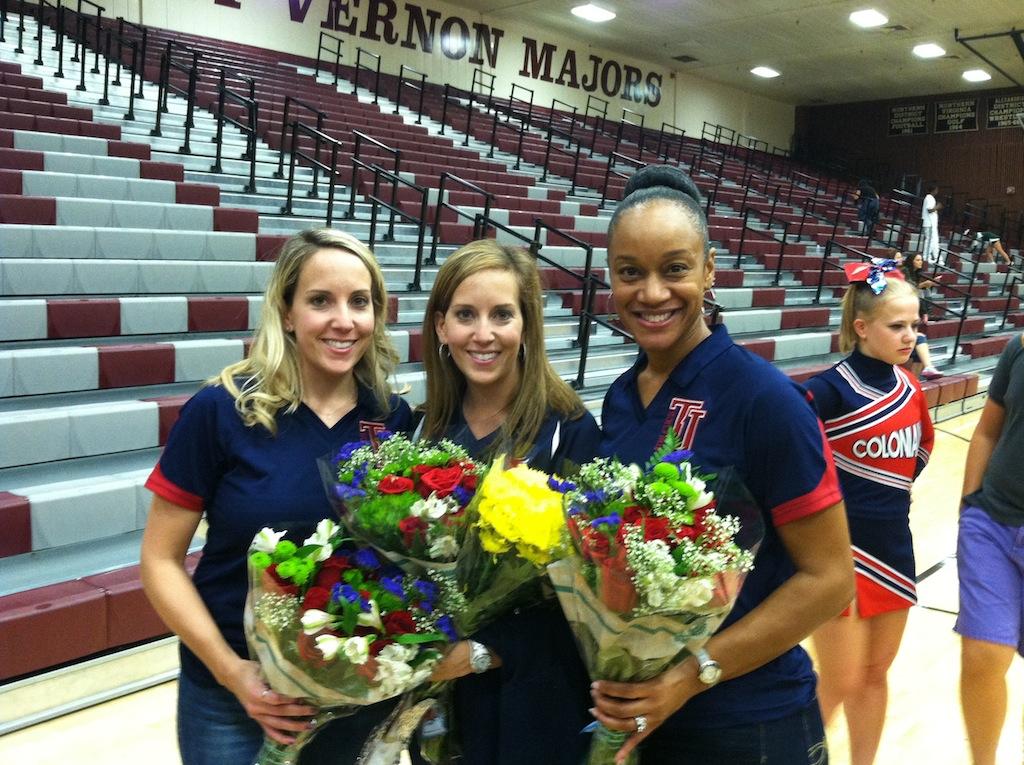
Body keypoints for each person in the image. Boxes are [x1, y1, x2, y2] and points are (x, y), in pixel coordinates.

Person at [590, 165, 855, 765]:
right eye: (631, 272)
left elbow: (831, 580)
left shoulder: (767, 400)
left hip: (751, 723)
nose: (652, 293)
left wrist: (691, 674)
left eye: (675, 268)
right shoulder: (621, 397)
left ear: (709, 270)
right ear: (611, 279)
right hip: (648, 718)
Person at [140, 228, 413, 765]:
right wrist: (231, 671)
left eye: (360, 302)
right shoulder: (223, 410)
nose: (344, 320)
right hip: (234, 697)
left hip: (350, 687)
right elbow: (159, 559)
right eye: (320, 301)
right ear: (286, 312)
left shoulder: (389, 417)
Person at [419, 239, 601, 764]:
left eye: (502, 314)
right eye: (465, 315)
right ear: (440, 328)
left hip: (536, 708)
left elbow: (587, 603)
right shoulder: (422, 430)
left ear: (526, 326)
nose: (483, 334)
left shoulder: (571, 433)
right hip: (438, 703)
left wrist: (481, 653)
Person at [805, 262, 935, 765]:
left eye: (915, 326)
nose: (910, 336)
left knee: (875, 673)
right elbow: (794, 457)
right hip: (838, 553)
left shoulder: (912, 388)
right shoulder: (827, 389)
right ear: (862, 328)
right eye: (897, 326)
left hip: (893, 548)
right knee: (837, 680)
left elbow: (920, 450)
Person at [956, 331, 1024, 765]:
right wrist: (969, 509)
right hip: (993, 522)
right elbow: (986, 432)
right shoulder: (1019, 347)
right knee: (983, 654)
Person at [901, 252, 943, 379]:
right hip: (905, 307)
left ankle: (915, 381)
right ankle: (925, 370)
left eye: (921, 260)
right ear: (911, 261)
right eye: (918, 260)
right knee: (919, 341)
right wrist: (924, 285)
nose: (920, 262)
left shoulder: (916, 273)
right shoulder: (904, 271)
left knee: (918, 350)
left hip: (910, 308)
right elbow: (909, 289)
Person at [920, 185, 943, 266]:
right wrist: (937, 207)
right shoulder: (929, 197)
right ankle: (926, 257)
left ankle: (933, 258)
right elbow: (929, 210)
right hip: (929, 223)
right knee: (929, 241)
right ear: (934, 190)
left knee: (933, 241)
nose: (937, 191)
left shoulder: (930, 198)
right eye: (936, 189)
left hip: (931, 223)